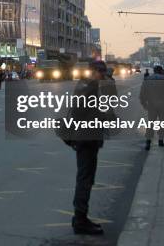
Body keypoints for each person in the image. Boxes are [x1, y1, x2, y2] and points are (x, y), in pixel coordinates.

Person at [67, 60, 109, 236]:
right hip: (87, 139)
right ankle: (80, 220)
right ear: (94, 71)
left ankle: (80, 217)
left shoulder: (86, 85)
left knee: (86, 178)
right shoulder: (89, 87)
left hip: (87, 138)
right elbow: (80, 112)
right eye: (102, 73)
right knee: (85, 179)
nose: (104, 77)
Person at [139, 65, 164, 150]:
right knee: (163, 122)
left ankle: (148, 141)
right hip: (163, 104)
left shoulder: (147, 79)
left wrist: (143, 103)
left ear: (154, 71)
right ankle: (161, 140)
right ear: (161, 71)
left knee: (151, 122)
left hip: (151, 105)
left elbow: (143, 92)